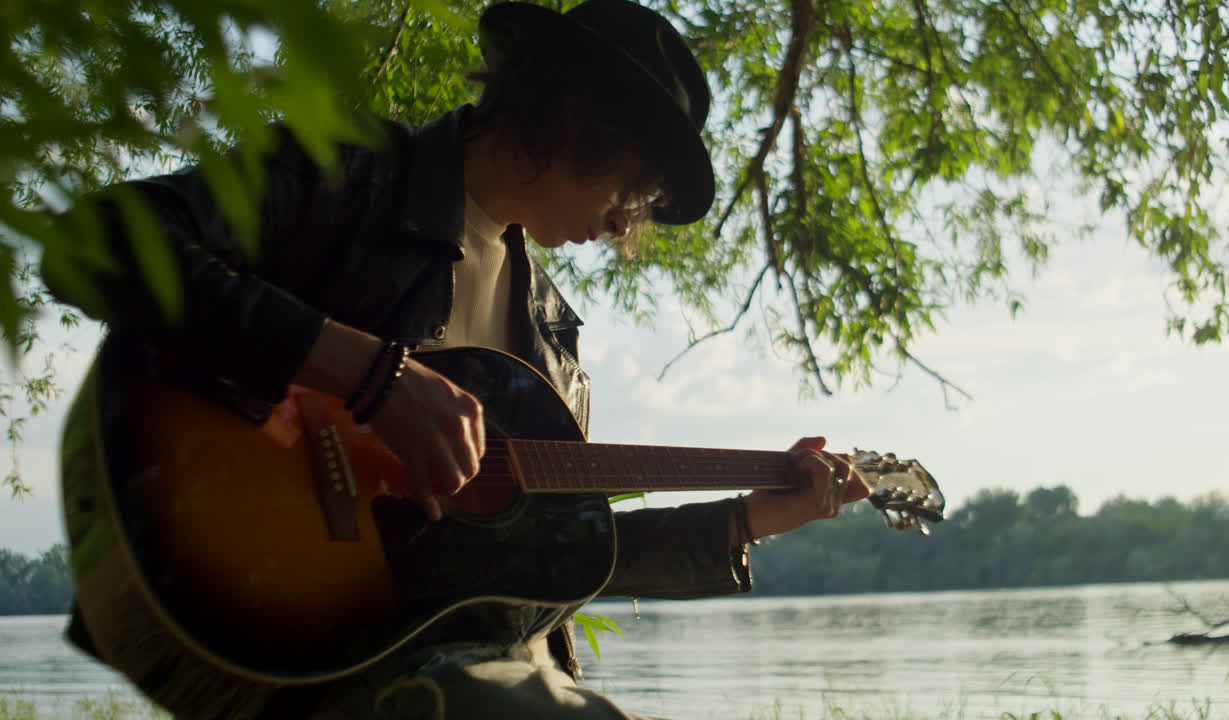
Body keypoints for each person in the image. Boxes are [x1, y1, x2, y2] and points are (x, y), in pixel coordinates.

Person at [41, 1, 872, 717]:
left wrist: (752, 519)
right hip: (292, 645)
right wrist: (373, 378)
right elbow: (97, 243)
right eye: (634, 185)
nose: (627, 224)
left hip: (466, 670)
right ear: (576, 120)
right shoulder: (349, 178)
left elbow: (534, 560)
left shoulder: (552, 340)